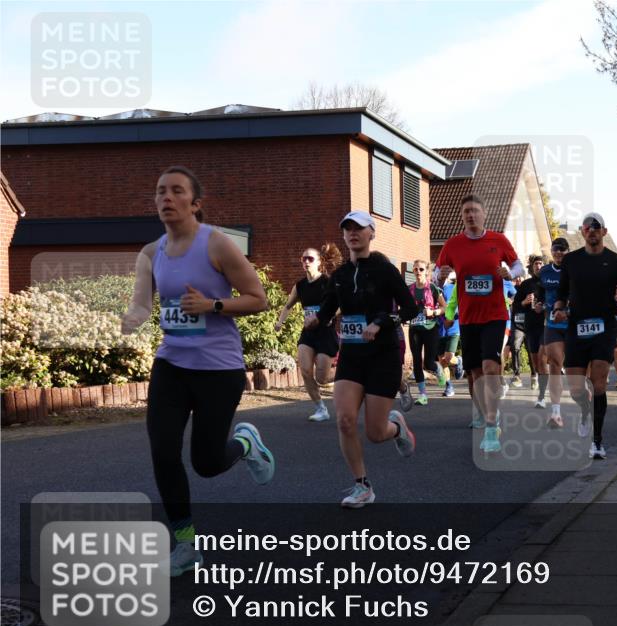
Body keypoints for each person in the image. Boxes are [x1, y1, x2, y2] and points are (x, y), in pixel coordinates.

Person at [122, 165, 274, 576]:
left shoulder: (217, 244)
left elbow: (258, 298)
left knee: (206, 463)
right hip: (171, 364)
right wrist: (132, 317)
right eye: (160, 191)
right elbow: (142, 303)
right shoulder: (150, 253)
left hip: (218, 369)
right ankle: (186, 544)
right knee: (162, 451)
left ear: (195, 203)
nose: (166, 198)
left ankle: (246, 444)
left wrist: (212, 306)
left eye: (176, 191)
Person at [306, 210, 419, 508]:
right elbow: (327, 311)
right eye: (348, 229)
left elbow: (411, 308)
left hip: (383, 356)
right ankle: (362, 486)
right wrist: (316, 320)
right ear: (344, 235)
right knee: (344, 420)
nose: (353, 233)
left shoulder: (385, 270)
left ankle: (396, 428)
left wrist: (381, 321)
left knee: (376, 433)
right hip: (352, 356)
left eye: (359, 228)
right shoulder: (340, 276)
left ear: (372, 233)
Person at [435, 194, 524, 453]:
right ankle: (487, 415)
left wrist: (511, 273)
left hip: (495, 316)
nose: (471, 215)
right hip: (468, 317)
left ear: (484, 214)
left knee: (490, 367)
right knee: (475, 374)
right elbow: (437, 274)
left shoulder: (498, 240)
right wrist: (440, 276)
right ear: (462, 216)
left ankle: (491, 426)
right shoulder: (453, 244)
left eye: (475, 210)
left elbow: (519, 266)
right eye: (466, 212)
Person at [553, 213, 617, 460]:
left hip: (604, 327)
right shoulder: (571, 261)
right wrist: (558, 310)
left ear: (604, 232)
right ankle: (585, 410)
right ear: (582, 231)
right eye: (588, 227)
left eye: (596, 227)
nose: (592, 231)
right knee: (576, 388)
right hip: (576, 326)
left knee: (598, 383)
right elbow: (561, 293)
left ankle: (597, 441)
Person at [274, 244, 342, 421]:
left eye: (310, 258)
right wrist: (280, 322)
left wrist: (328, 315)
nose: (306, 261)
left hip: (325, 332)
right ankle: (321, 409)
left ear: (319, 262)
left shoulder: (327, 282)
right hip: (308, 333)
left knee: (322, 378)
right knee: (305, 370)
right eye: (303, 259)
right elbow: (288, 306)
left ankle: (349, 372)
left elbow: (341, 304)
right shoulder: (300, 286)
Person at [536, 237, 570, 427]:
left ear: (568, 252)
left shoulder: (574, 270)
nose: (558, 252)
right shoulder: (545, 272)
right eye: (555, 249)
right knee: (555, 363)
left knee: (576, 367)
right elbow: (540, 293)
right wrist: (539, 304)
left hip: (573, 324)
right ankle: (556, 413)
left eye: (562, 249)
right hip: (552, 325)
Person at [406, 259, 448, 406]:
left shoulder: (432, 288)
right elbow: (405, 307)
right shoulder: (409, 289)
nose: (418, 272)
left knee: (429, 363)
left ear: (427, 272)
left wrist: (434, 312)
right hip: (415, 329)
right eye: (415, 269)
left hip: (431, 328)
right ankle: (422, 394)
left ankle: (438, 370)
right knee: (417, 361)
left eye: (421, 269)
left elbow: (444, 307)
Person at [518, 255, 547, 406]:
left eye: (541, 263)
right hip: (531, 326)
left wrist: (545, 307)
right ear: (532, 267)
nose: (538, 266)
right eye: (536, 263)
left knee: (542, 359)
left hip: (546, 326)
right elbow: (516, 306)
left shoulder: (549, 282)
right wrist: (524, 302)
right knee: (536, 362)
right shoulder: (526, 285)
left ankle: (542, 396)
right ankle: (541, 382)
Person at [437, 272, 462, 397]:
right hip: (439, 329)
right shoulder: (433, 288)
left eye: (443, 275)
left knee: (447, 358)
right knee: (442, 360)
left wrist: (451, 313)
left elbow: (457, 307)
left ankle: (458, 361)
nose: (441, 277)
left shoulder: (454, 287)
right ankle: (449, 386)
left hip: (453, 328)